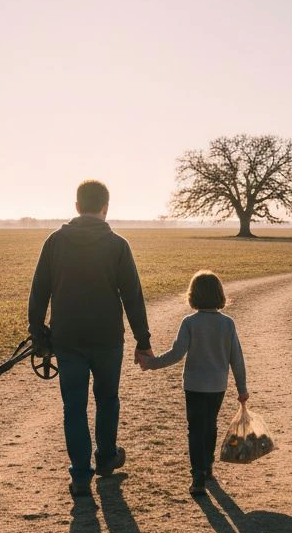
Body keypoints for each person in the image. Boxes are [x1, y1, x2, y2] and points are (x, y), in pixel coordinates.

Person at [28, 180, 152, 498]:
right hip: (108, 337)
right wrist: (143, 340)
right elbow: (133, 297)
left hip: (67, 337)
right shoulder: (118, 245)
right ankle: (107, 458)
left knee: (74, 406)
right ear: (106, 208)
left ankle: (81, 475)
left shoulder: (55, 242)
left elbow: (39, 291)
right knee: (107, 399)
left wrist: (37, 332)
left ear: (77, 207)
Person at [140, 270, 248, 495]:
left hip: (194, 385)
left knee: (195, 429)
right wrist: (242, 389)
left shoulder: (189, 322)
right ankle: (207, 466)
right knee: (210, 425)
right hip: (217, 385)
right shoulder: (228, 324)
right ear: (219, 294)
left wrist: (151, 363)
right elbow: (236, 358)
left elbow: (176, 354)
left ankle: (197, 475)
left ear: (193, 295)